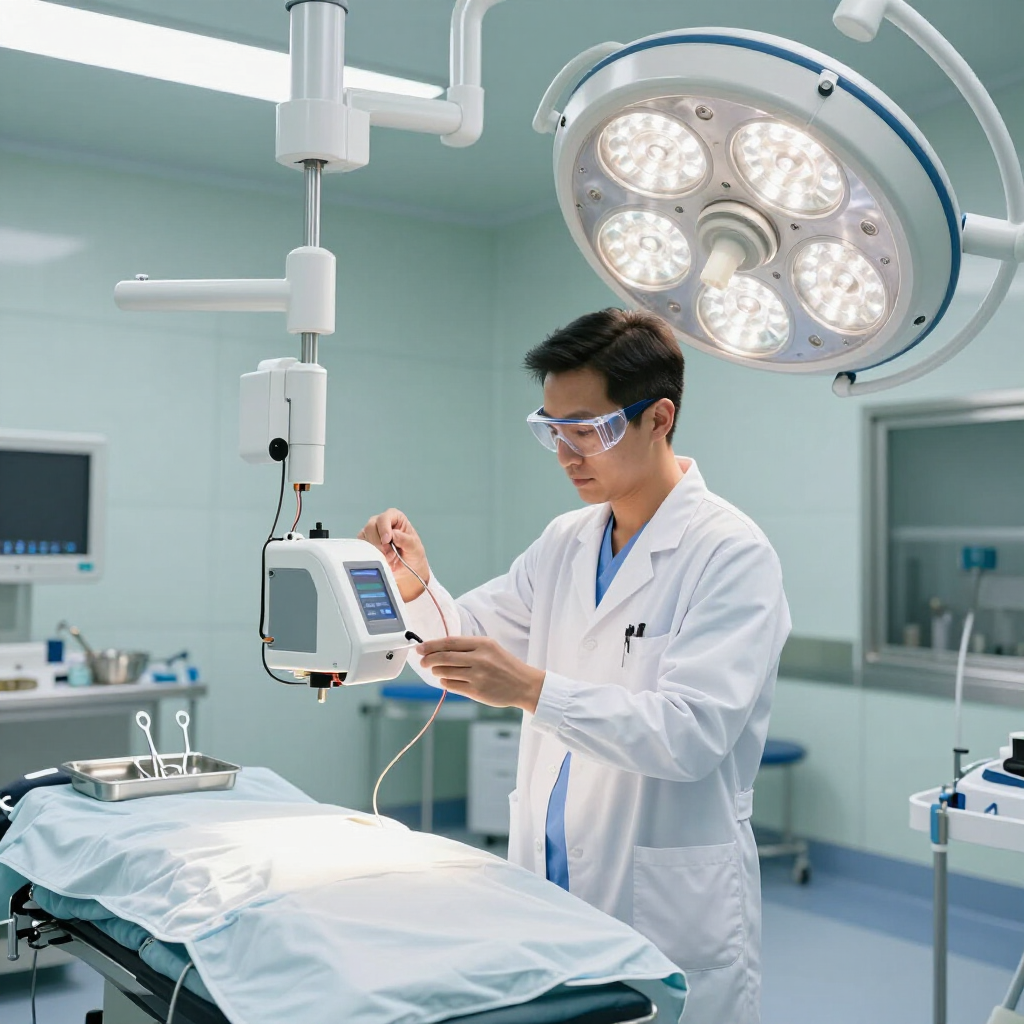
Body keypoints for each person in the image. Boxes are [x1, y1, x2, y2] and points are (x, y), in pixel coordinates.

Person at [359, 308, 791, 1024]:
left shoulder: (731, 552)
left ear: (659, 417)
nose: (566, 452)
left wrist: (532, 690)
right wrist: (414, 589)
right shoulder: (567, 540)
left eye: (587, 429)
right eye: (551, 430)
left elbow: (690, 735)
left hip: (662, 900)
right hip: (552, 882)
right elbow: (462, 644)